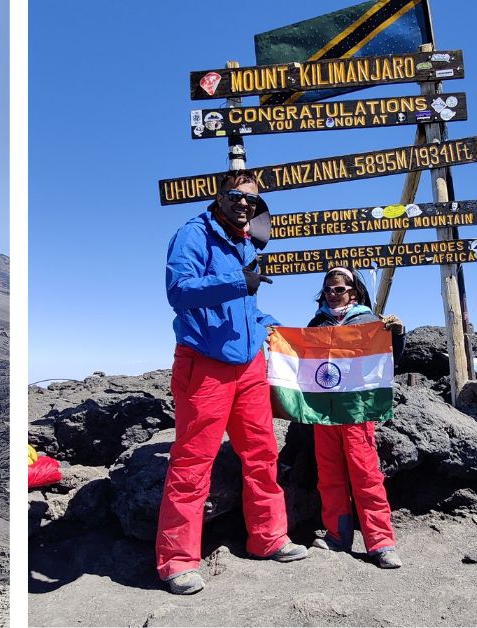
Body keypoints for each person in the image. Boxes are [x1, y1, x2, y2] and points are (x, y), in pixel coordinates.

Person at [157, 169, 306, 596]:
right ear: (219, 196)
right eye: (236, 196)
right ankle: (177, 561)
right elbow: (179, 291)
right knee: (192, 461)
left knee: (262, 452)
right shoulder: (193, 234)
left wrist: (267, 324)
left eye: (253, 200)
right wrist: (239, 281)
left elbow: (244, 309)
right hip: (204, 364)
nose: (245, 204)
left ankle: (269, 537)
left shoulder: (244, 242)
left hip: (249, 366)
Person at [305, 266, 405, 569]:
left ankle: (381, 543)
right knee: (329, 475)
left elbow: (390, 360)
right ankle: (337, 535)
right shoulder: (316, 322)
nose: (333, 294)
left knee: (366, 474)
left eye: (340, 289)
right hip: (324, 412)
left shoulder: (369, 321)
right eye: (328, 289)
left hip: (357, 409)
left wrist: (397, 335)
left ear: (354, 291)